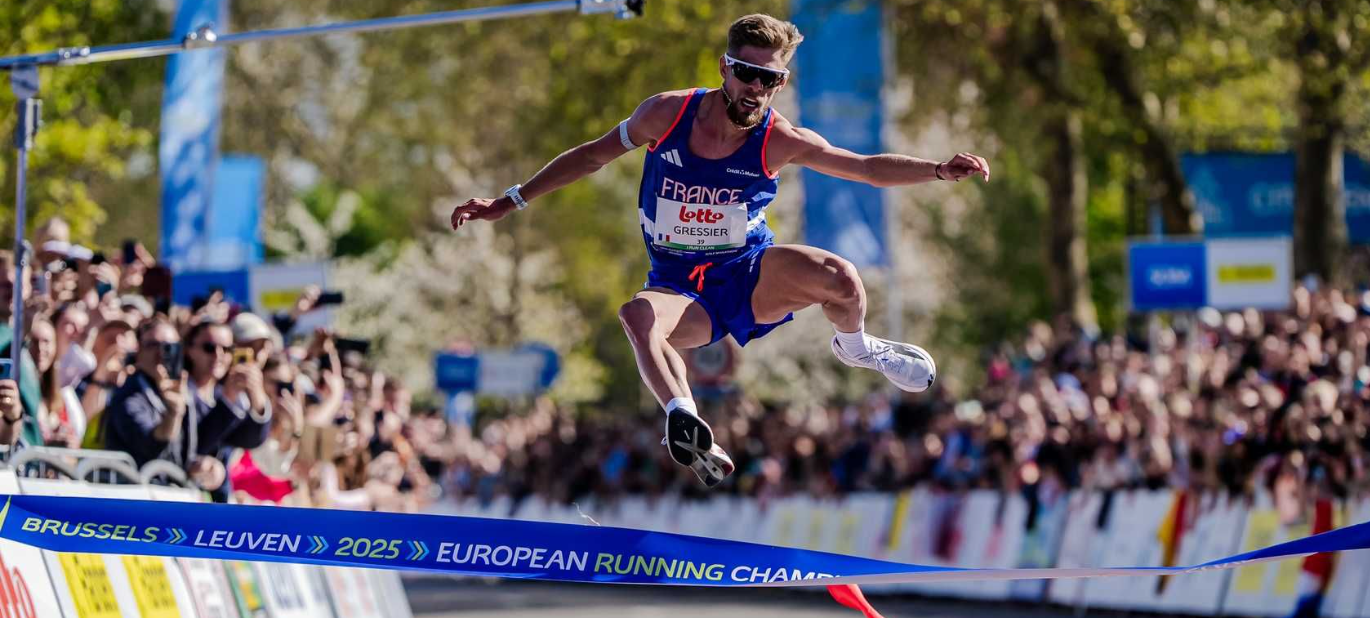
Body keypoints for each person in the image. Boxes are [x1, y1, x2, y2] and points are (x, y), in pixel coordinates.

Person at [450, 14, 989, 487]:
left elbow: (866, 168)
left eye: (769, 79)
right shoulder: (666, 115)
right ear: (724, 69)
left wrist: (938, 170)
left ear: (780, 84)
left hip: (748, 273)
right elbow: (592, 156)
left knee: (841, 278)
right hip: (680, 288)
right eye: (747, 73)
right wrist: (510, 200)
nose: (755, 88)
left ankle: (856, 347)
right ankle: (684, 419)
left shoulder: (780, 139)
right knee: (637, 316)